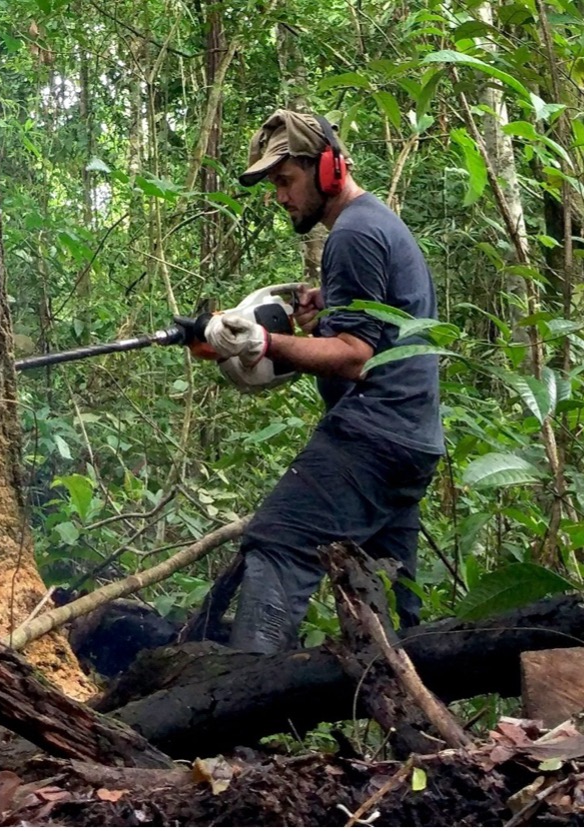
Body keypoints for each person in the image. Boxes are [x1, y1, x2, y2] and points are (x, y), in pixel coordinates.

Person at [201, 109, 445, 654]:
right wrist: (327, 313)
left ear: (329, 168)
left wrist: (261, 344)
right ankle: (421, 727)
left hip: (372, 438)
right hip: (411, 440)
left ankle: (242, 715)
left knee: (278, 543)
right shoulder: (376, 223)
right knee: (383, 587)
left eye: (285, 180)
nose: (280, 196)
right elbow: (381, 334)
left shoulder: (353, 234)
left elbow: (357, 358)